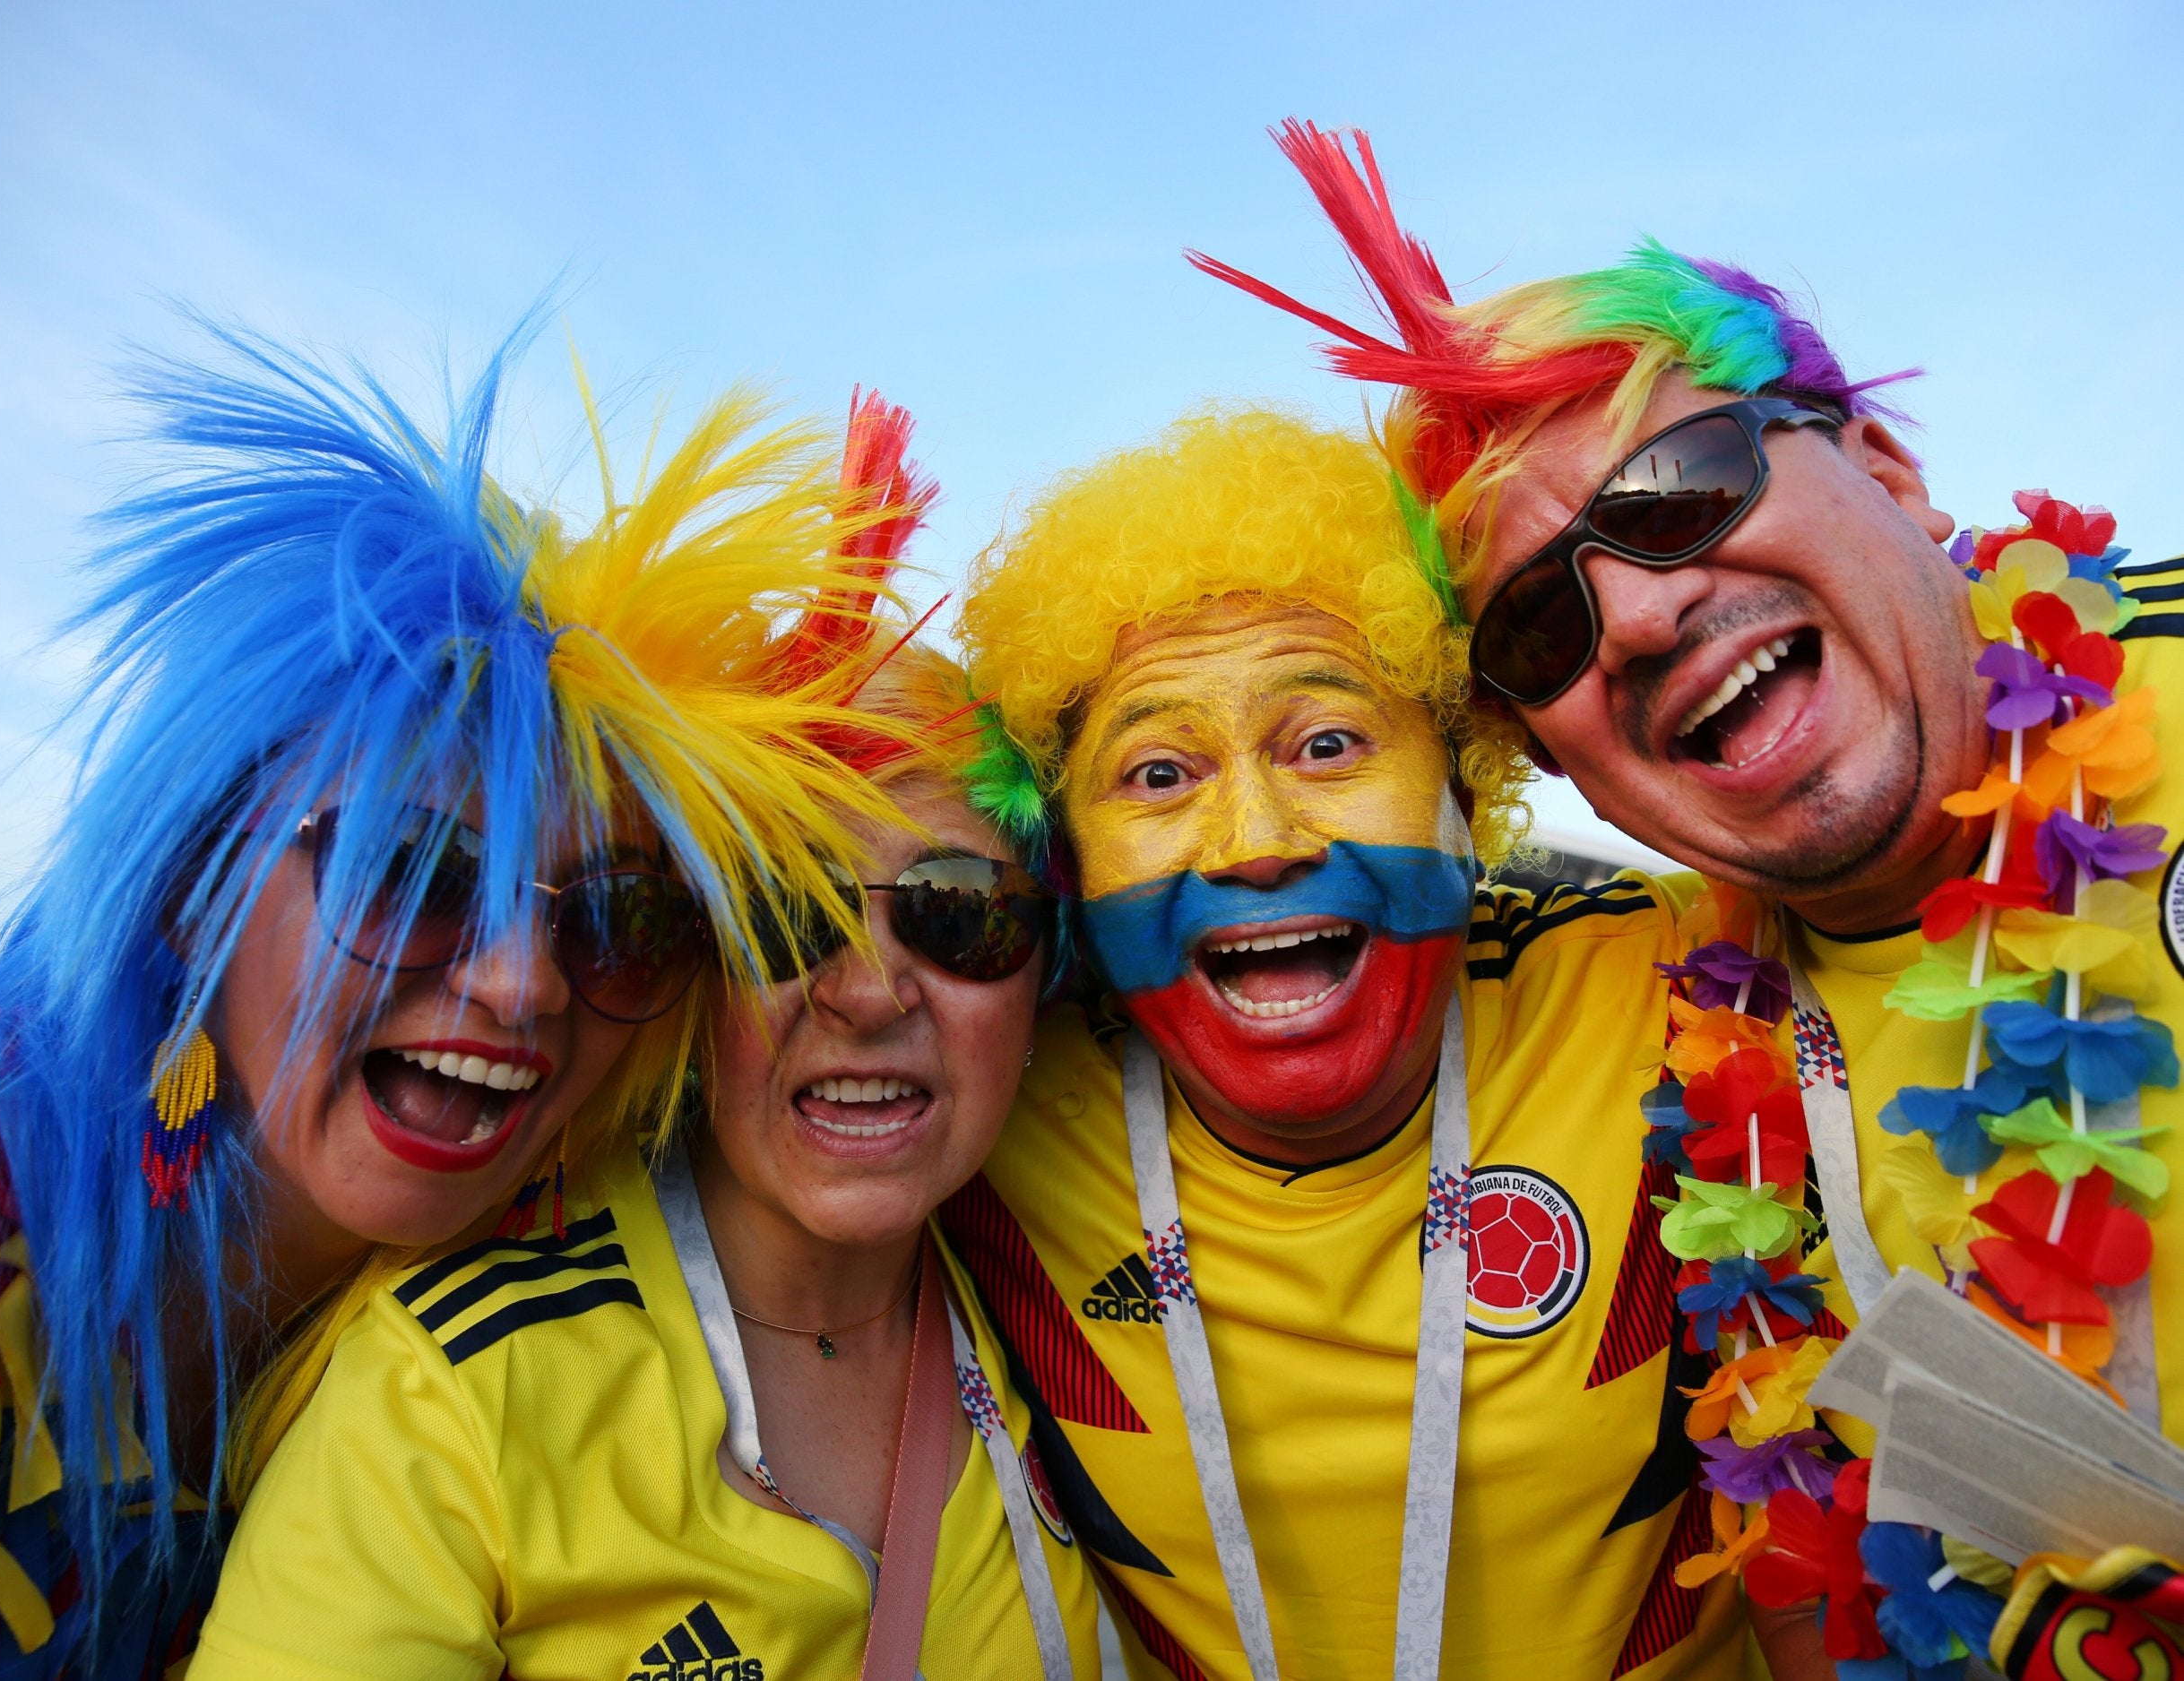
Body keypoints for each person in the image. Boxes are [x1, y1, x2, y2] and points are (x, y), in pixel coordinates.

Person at [1206, 119, 2184, 1676]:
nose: (1645, 615)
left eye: (1680, 487)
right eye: (1541, 626)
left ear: (1886, 468)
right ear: (1565, 766)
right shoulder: (1694, 1056)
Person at [0, 332, 908, 1676]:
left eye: (620, 918)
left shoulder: (548, 1308)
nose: (521, 982)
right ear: (189, 885)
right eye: (410, 869)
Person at [188, 405, 1105, 1680]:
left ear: (1044, 978)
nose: (871, 993)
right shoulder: (451, 1392)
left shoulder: (1072, 1291)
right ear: (675, 962)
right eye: (782, 912)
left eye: (963, 917)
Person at [950, 408, 1762, 1678]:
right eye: (1159, 775)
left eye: (1329, 743)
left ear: (1464, 788)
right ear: (1070, 859)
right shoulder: (978, 1111)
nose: (1254, 839)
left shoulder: (1680, 979)